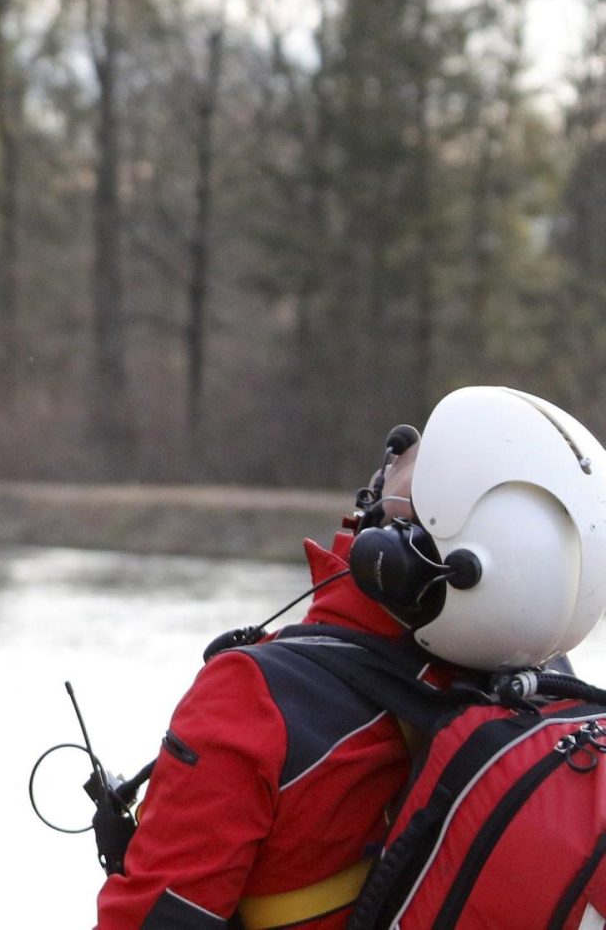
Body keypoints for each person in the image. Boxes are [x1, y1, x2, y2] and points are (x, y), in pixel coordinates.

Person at [95, 386, 606, 930]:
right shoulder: (550, 690)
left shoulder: (253, 701)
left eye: (432, 466)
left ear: (417, 557)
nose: (401, 453)